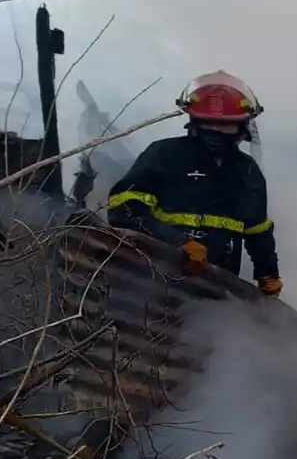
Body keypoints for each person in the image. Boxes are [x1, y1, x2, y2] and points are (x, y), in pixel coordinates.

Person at [106, 71, 281, 296]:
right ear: (194, 121)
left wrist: (268, 273)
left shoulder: (247, 171)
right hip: (151, 281)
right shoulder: (164, 155)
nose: (215, 130)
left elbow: (258, 231)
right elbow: (123, 209)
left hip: (215, 289)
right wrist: (178, 242)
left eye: (224, 124)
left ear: (242, 126)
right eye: (208, 122)